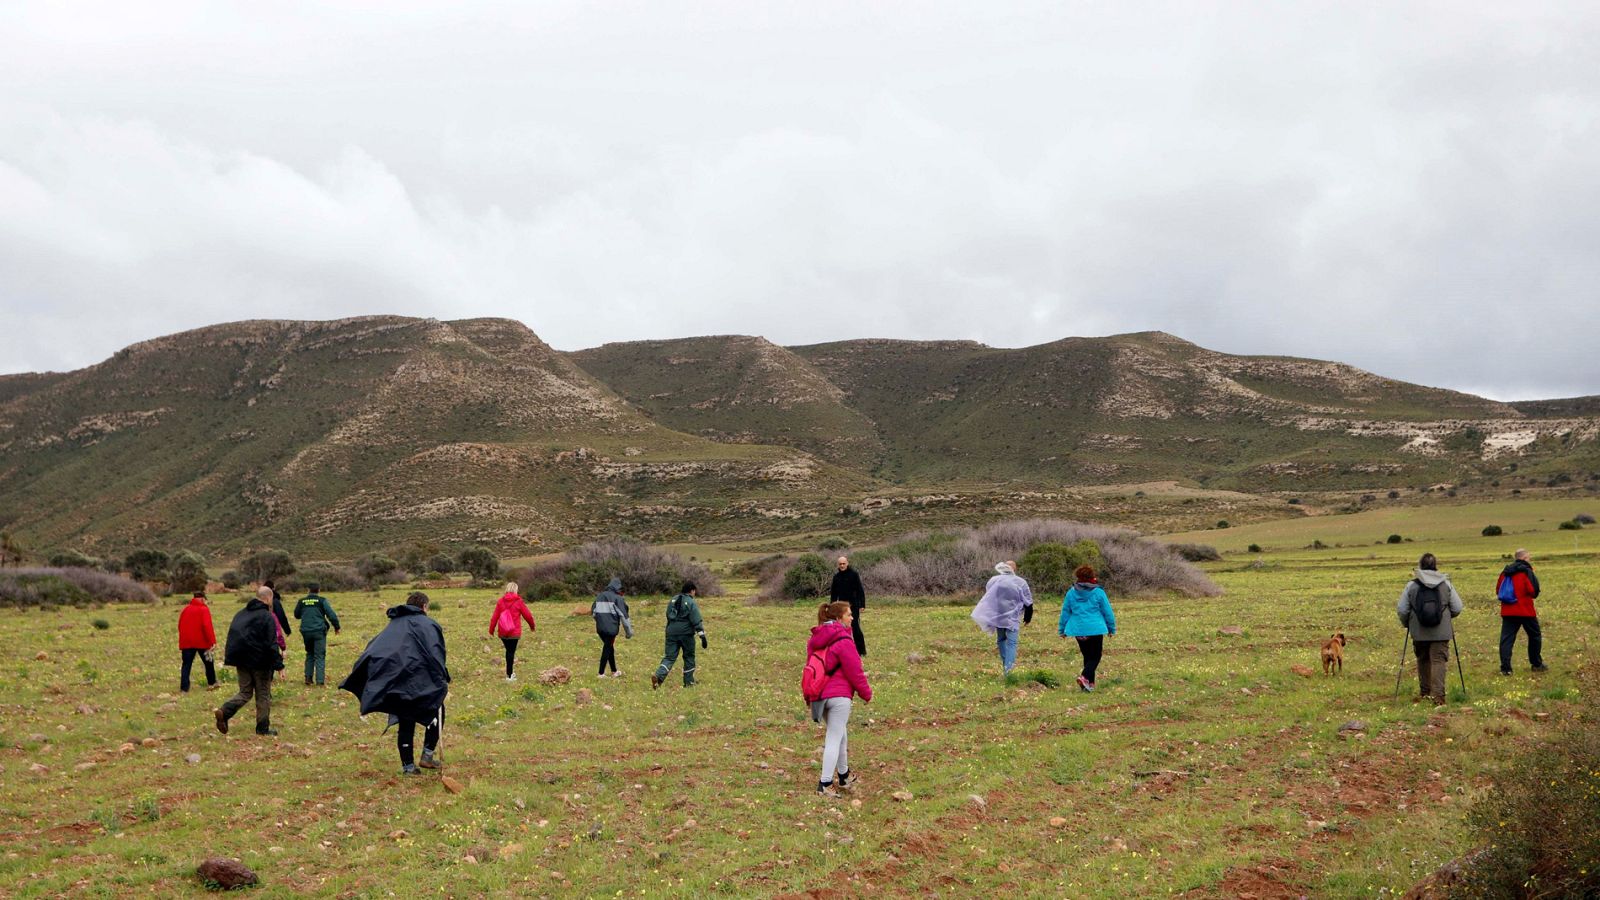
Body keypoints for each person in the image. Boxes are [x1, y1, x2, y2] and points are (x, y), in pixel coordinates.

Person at [340, 591, 451, 775]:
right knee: (436, 710)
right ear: (424, 606)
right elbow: (436, 653)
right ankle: (427, 755)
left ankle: (408, 767)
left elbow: (375, 648)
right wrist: (442, 677)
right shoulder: (429, 624)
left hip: (398, 680)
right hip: (422, 681)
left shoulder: (393, 625)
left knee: (405, 718)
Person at [809, 601, 872, 797]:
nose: (852, 618)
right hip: (839, 695)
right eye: (849, 614)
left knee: (840, 734)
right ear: (838, 618)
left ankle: (844, 775)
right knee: (834, 738)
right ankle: (825, 783)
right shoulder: (844, 640)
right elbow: (855, 671)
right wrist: (866, 693)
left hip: (820, 695)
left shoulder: (815, 639)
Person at [215, 586, 283, 737]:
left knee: (245, 692)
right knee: (263, 694)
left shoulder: (240, 614)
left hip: (240, 659)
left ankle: (224, 711)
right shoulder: (267, 616)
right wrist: (279, 665)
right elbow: (272, 643)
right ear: (268, 598)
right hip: (260, 662)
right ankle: (262, 728)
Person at [1397, 552, 1464, 704]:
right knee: (1438, 660)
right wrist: (1446, 617)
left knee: (1423, 659)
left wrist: (1408, 623)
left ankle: (1425, 692)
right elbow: (1457, 607)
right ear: (1435, 566)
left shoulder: (1411, 585)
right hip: (1441, 631)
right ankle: (1438, 697)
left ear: (1420, 566)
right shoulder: (1446, 584)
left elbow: (1402, 610)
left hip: (1418, 631)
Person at [1058, 565, 1117, 692]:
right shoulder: (1098, 592)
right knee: (1095, 656)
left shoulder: (1071, 592)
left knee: (1087, 656)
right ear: (1092, 577)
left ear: (1078, 577)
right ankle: (1084, 677)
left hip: (1078, 630)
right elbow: (1107, 611)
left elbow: (1065, 612)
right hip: (1095, 629)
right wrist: (1111, 628)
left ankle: (1089, 685)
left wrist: (1062, 629)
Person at [971, 561, 1033, 674]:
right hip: (1012, 618)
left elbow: (989, 597)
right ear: (1015, 569)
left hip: (999, 617)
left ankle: (1006, 665)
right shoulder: (1020, 582)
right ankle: (1008, 670)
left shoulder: (994, 580)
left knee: (1001, 640)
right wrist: (1028, 617)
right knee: (1012, 643)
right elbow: (1028, 602)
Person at [1496, 549, 1547, 675]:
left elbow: (1498, 590)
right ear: (1524, 558)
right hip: (1525, 611)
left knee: (1506, 639)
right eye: (1529, 557)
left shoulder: (1505, 572)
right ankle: (1536, 664)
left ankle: (1506, 668)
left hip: (1508, 611)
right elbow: (1533, 591)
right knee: (1534, 636)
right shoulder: (1526, 571)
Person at [651, 581, 707, 689]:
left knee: (669, 657)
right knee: (689, 657)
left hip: (671, 632)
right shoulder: (690, 602)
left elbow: (668, 615)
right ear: (692, 591)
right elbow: (696, 620)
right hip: (686, 635)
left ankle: (658, 676)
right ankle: (689, 682)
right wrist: (702, 636)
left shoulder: (673, 599)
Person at [293, 582, 341, 686]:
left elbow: (296, 615)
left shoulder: (301, 601)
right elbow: (331, 615)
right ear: (319, 590)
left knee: (310, 653)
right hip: (319, 631)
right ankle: (320, 681)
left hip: (306, 631)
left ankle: (308, 678)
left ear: (308, 590)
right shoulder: (322, 601)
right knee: (320, 655)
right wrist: (337, 627)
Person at [489, 582, 536, 681]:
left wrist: (491, 630)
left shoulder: (500, 601)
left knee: (508, 651)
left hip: (503, 632)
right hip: (514, 633)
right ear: (515, 590)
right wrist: (532, 626)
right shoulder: (519, 601)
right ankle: (509, 675)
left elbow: (494, 617)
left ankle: (509, 673)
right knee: (511, 652)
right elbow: (528, 615)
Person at [177, 590, 218, 692]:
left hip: (187, 642)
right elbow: (207, 626)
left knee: (186, 665)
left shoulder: (186, 609)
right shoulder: (204, 609)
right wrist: (212, 641)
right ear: (202, 598)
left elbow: (180, 625)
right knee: (209, 662)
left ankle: (184, 688)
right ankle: (212, 683)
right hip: (202, 642)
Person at [591, 577, 631, 678]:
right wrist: (629, 633)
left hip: (600, 629)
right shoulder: (618, 598)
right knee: (607, 648)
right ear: (618, 587)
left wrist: (600, 622)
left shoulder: (600, 596)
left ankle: (614, 671)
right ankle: (601, 673)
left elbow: (593, 612)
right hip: (611, 629)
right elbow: (624, 617)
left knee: (609, 648)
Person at [830, 556, 867, 657]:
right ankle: (845, 650)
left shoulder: (854, 575)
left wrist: (862, 604)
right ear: (838, 565)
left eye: (844, 563)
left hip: (854, 605)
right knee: (842, 628)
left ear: (847, 563)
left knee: (855, 627)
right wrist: (832, 607)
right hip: (842, 607)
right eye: (840, 564)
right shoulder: (836, 577)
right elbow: (834, 594)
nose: (842, 565)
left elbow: (860, 590)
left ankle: (861, 651)